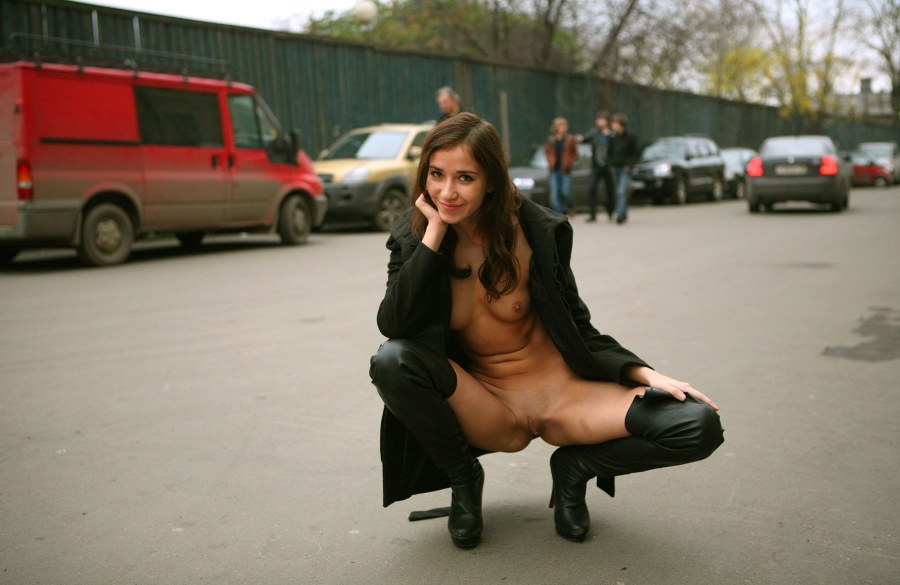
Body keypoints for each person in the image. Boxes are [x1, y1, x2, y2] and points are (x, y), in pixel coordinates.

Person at [369, 113, 724, 549]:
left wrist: (645, 374)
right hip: (487, 405)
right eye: (437, 175)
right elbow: (394, 324)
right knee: (391, 360)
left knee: (697, 424)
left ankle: (576, 468)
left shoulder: (535, 231)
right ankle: (464, 480)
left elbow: (576, 323)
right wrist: (435, 234)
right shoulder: (416, 235)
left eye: (465, 178)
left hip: (563, 395)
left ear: (491, 181)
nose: (447, 192)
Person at [579, 111, 615, 222]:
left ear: (607, 121)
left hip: (608, 166)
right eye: (598, 119)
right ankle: (592, 215)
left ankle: (610, 212)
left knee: (610, 190)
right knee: (592, 189)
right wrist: (580, 138)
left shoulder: (612, 134)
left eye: (602, 119)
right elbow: (585, 138)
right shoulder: (595, 132)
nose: (599, 122)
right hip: (596, 165)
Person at [607, 113, 641, 224]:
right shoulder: (612, 138)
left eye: (615, 124)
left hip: (625, 169)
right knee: (618, 192)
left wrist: (629, 164)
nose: (613, 126)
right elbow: (608, 153)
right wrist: (610, 164)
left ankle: (619, 214)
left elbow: (636, 152)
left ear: (621, 125)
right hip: (615, 168)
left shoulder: (631, 137)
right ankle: (623, 214)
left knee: (621, 191)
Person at [544, 117, 579, 216]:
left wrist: (570, 162)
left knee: (565, 192)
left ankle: (571, 206)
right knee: (554, 195)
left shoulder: (570, 139)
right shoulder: (551, 140)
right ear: (556, 128)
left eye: (564, 126)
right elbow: (547, 152)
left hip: (565, 170)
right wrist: (550, 162)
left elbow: (575, 154)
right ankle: (559, 216)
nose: (563, 128)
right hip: (554, 170)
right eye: (560, 126)